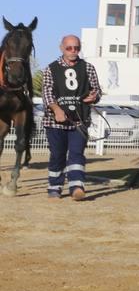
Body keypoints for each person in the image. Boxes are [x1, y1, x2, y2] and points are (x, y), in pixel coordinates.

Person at [41, 35, 101, 200]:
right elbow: (47, 92)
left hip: (79, 119)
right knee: (58, 155)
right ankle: (55, 186)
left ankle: (76, 186)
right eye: (69, 48)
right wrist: (56, 109)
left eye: (76, 48)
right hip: (55, 121)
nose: (73, 51)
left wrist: (94, 96)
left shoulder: (88, 68)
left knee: (76, 154)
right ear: (61, 48)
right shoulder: (50, 69)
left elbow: (96, 90)